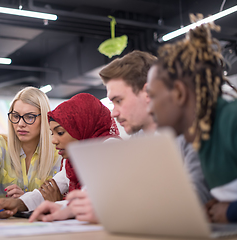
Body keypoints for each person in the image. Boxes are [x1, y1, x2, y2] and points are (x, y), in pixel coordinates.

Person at [29, 50, 212, 223]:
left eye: (118, 101)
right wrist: (69, 209)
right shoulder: (139, 138)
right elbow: (125, 190)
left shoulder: (192, 129)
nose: (114, 113)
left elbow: (195, 200)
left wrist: (111, 211)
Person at [146, 15, 237, 224]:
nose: (149, 108)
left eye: (153, 96)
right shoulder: (204, 140)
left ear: (179, 93)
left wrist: (231, 212)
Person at [0, 93, 120, 221]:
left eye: (60, 133)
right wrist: (17, 204)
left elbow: (91, 200)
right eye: (53, 133)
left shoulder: (110, 149)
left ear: (82, 127)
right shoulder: (73, 162)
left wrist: (56, 203)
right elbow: (48, 190)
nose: (53, 140)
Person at [0, 87, 61, 212]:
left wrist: (26, 201)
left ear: (44, 119)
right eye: (15, 116)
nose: (20, 123)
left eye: (30, 117)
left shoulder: (57, 153)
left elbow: (60, 197)